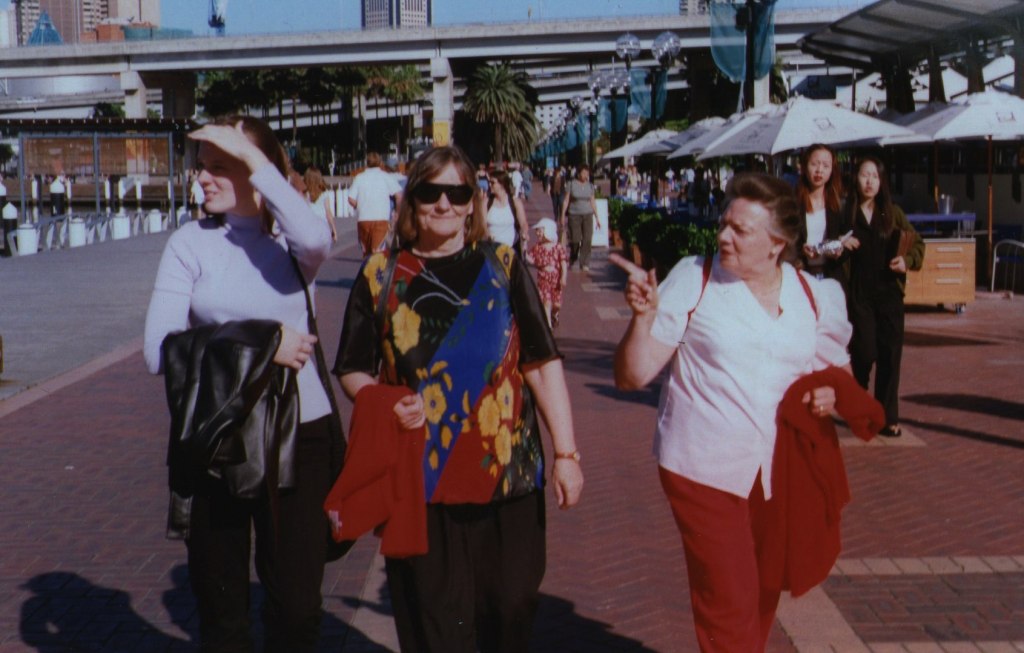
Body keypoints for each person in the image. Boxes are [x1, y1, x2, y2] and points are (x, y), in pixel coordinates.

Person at [333, 145, 583, 653]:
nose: (443, 204)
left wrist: (568, 453)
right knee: (435, 627)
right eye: (430, 192)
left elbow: (540, 361)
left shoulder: (504, 266)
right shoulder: (380, 277)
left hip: (508, 478)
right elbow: (351, 368)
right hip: (422, 481)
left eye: (457, 193)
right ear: (411, 201)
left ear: (474, 203)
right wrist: (381, 398)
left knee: (511, 610)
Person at [610, 172, 854, 653]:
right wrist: (642, 321)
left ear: (776, 244)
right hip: (702, 470)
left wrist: (829, 394)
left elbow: (841, 378)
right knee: (729, 600)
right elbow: (632, 377)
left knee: (761, 593)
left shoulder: (812, 296)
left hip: (776, 474)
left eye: (740, 230)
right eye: (724, 224)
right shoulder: (694, 280)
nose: (722, 236)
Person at [143, 115, 338, 652]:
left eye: (221, 166)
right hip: (216, 436)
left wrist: (256, 159)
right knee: (222, 610)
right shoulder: (188, 244)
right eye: (201, 167)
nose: (203, 179)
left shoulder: (295, 249)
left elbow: (317, 234)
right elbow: (158, 350)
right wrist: (262, 345)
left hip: (300, 435)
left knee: (297, 607)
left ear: (258, 171)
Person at [842, 155, 924, 438]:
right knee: (864, 351)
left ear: (881, 181)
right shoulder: (846, 213)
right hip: (859, 294)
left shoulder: (893, 212)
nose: (869, 181)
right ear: (856, 178)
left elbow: (917, 242)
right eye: (865, 175)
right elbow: (832, 246)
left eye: (874, 176)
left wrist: (907, 262)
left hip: (889, 293)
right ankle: (860, 404)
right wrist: (841, 244)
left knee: (890, 355)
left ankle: (887, 417)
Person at [796, 144, 848, 284]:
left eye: (826, 166)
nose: (819, 170)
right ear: (804, 167)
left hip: (831, 276)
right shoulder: (793, 202)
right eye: (814, 164)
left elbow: (847, 240)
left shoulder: (839, 204)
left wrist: (839, 251)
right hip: (801, 275)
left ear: (832, 170)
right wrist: (801, 249)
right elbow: (785, 239)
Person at [348, 151, 403, 256]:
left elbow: (351, 199)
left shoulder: (359, 177)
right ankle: (376, 272)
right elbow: (399, 196)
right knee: (377, 253)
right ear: (380, 163)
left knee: (366, 253)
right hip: (381, 218)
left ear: (366, 163)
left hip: (363, 220)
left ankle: (366, 271)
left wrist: (358, 205)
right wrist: (397, 212)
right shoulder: (386, 177)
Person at [526, 217, 568, 329]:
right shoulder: (537, 247)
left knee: (556, 304)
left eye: (540, 230)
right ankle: (548, 326)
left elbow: (563, 263)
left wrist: (563, 277)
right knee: (546, 302)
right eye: (537, 231)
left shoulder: (558, 247)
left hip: (556, 279)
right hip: (543, 278)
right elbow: (530, 259)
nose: (538, 233)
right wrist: (523, 245)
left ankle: (555, 314)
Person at [560, 164, 600, 271]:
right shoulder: (571, 184)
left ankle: (585, 263)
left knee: (587, 239)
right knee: (575, 240)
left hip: (587, 214)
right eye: (583, 173)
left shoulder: (590, 186)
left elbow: (592, 201)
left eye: (587, 173)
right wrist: (563, 215)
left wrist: (597, 217)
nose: (586, 175)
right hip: (574, 214)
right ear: (578, 174)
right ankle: (573, 258)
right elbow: (566, 200)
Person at [485, 168, 530, 252]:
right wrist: (487, 235)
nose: (489, 185)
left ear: (502, 184)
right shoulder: (487, 202)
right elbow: (482, 225)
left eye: (492, 183)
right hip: (492, 250)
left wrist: (525, 233)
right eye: (489, 182)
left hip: (511, 249)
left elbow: (523, 223)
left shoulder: (515, 202)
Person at [304, 166, 337, 243]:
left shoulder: (305, 194)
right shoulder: (324, 193)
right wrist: (333, 229)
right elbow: (328, 212)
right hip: (323, 226)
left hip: (309, 227)